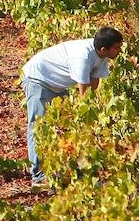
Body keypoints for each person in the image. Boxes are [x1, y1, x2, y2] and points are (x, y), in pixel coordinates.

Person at [21, 26, 125, 187]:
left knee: (62, 128)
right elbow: (84, 94)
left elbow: (94, 83)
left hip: (58, 85)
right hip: (38, 79)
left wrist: (93, 110)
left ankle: (62, 169)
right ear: (104, 49)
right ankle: (39, 175)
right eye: (117, 47)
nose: (120, 51)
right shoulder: (83, 57)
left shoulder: (102, 55)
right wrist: (88, 119)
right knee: (39, 128)